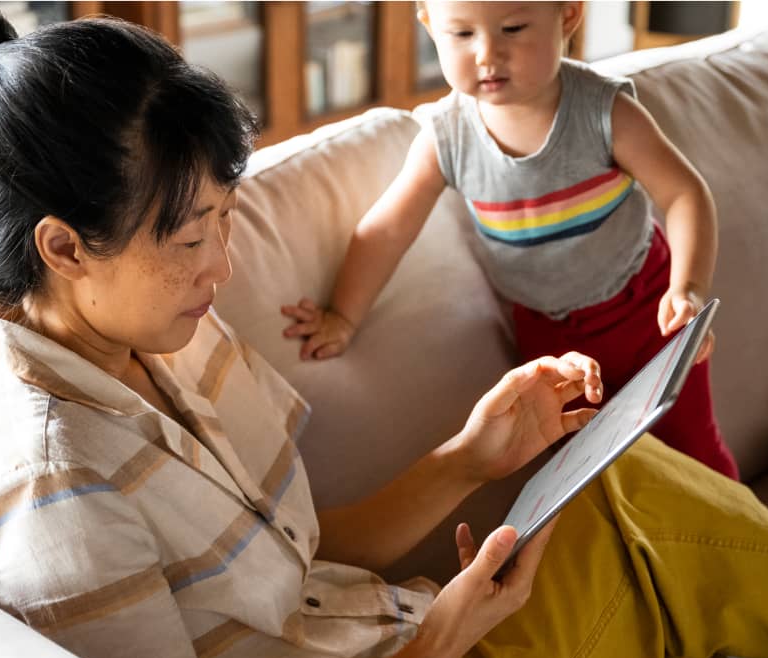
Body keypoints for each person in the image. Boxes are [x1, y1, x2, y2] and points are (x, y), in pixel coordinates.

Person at [0, 7, 768, 658]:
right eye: (190, 235)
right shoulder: (55, 487)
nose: (223, 263)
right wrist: (443, 639)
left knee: (618, 469)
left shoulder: (151, 337)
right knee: (650, 503)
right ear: (62, 247)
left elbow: (296, 559)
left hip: (410, 649)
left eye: (225, 219)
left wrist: (471, 457)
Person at [281, 1, 740, 481]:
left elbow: (684, 194)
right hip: (551, 342)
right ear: (430, 28)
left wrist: (688, 288)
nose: (486, 54)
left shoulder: (604, 111)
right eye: (462, 35)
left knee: (696, 453)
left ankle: (743, 528)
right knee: (588, 475)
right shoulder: (447, 137)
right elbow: (387, 230)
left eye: (513, 28)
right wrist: (343, 316)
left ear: (568, 15)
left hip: (648, 312)